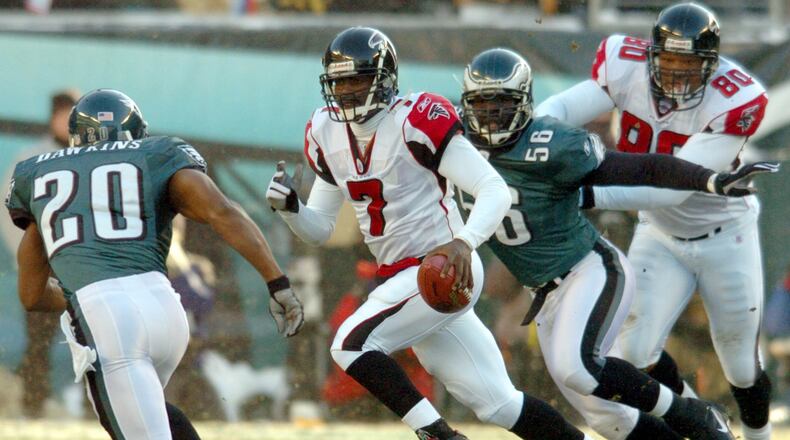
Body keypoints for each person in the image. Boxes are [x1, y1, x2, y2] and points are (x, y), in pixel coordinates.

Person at [268, 26, 594, 440]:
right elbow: (321, 229)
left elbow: (492, 188)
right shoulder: (323, 131)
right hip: (405, 279)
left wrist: (463, 242)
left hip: (443, 265)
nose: (347, 92)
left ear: (384, 79)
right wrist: (292, 209)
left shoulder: (416, 118)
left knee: (349, 343)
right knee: (499, 403)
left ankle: (438, 434)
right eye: (340, 82)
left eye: (357, 80)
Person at [459, 47, 776, 440]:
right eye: (481, 105)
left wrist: (708, 180)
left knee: (579, 366)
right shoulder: (453, 146)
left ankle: (692, 414)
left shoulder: (553, 144)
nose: (490, 116)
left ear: (524, 104)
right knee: (609, 418)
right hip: (543, 289)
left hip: (587, 269)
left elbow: (643, 167)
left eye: (502, 105)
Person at [5, 88, 304, 440]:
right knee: (153, 416)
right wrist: (277, 282)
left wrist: (75, 294)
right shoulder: (156, 154)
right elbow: (222, 212)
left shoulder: (40, 172)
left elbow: (31, 295)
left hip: (108, 320)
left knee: (138, 425)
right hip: (166, 310)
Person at [535, 3, 774, 439]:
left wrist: (581, 191)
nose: (679, 74)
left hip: (725, 235)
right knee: (636, 352)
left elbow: (674, 185)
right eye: (670, 61)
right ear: (650, 56)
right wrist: (530, 137)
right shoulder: (624, 67)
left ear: (712, 65)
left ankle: (760, 436)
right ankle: (700, 417)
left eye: (690, 64)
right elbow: (559, 110)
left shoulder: (737, 97)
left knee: (740, 365)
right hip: (659, 232)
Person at [0, 89, 78, 418]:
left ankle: (92, 404)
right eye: (64, 114)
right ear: (52, 117)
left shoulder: (93, 156)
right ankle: (35, 401)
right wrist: (28, 257)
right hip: (45, 265)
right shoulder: (30, 159)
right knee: (40, 337)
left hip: (82, 265)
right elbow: (9, 213)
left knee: (94, 335)